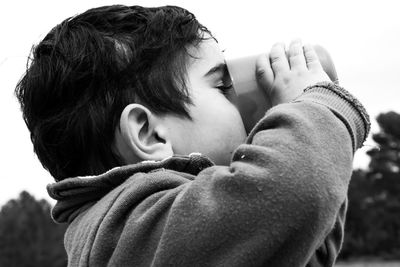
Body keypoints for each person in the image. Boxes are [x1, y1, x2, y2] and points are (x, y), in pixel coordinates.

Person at [15, 4, 370, 267]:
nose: (241, 96)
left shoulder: (161, 228)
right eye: (222, 85)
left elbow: (303, 237)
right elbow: (296, 194)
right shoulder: (131, 228)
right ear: (149, 132)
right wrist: (318, 107)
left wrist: (320, 143)